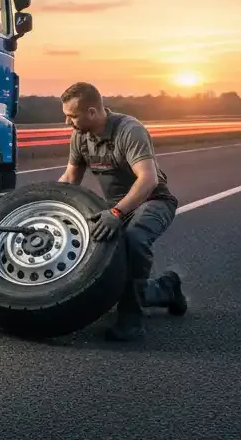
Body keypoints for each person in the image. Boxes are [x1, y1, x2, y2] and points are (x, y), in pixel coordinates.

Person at [57, 81, 188, 341]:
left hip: (153, 200)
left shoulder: (129, 130)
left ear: (92, 112)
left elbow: (148, 180)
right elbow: (70, 178)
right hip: (117, 206)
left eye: (72, 116)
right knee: (90, 240)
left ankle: (132, 319)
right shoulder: (80, 136)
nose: (67, 122)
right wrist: (46, 207)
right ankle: (166, 288)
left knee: (134, 239)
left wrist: (116, 213)